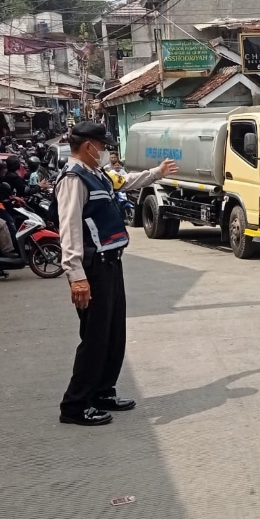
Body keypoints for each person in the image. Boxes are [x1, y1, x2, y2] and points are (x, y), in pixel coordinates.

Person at [56, 121, 178, 426]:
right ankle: (75, 405)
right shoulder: (74, 179)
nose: (106, 151)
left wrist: (157, 172)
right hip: (92, 267)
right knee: (95, 337)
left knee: (113, 333)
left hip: (111, 262)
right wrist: (76, 275)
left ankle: (103, 391)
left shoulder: (97, 174)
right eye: (103, 145)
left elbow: (126, 182)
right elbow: (69, 230)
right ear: (88, 147)